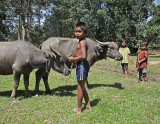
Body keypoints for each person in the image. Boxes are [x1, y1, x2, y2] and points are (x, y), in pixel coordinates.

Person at [68, 22, 92, 114]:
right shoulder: (81, 41)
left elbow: (84, 56)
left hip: (82, 64)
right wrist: (75, 59)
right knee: (82, 86)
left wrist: (73, 58)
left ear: (85, 32)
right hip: (81, 64)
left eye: (79, 31)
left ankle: (78, 108)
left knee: (80, 87)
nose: (77, 33)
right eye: (75, 31)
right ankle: (88, 105)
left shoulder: (82, 42)